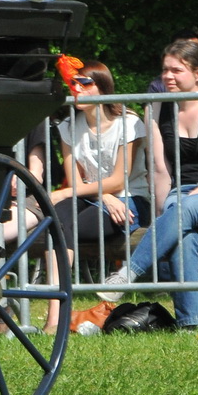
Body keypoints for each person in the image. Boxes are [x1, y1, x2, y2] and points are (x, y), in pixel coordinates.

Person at [101, 40, 198, 328]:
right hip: (181, 198)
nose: (168, 76)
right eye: (165, 70)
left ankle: (129, 274)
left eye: (176, 70)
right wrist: (165, 215)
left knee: (184, 210)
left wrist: (194, 198)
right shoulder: (157, 108)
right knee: (182, 234)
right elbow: (160, 169)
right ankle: (193, 325)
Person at [37, 62, 148, 334]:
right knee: (58, 220)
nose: (76, 89)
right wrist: (103, 195)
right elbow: (75, 180)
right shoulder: (68, 126)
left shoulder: (129, 123)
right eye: (73, 83)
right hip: (93, 197)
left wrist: (99, 194)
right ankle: (55, 317)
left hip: (130, 200)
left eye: (85, 83)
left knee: (62, 217)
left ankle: (58, 319)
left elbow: (119, 180)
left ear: (103, 87)